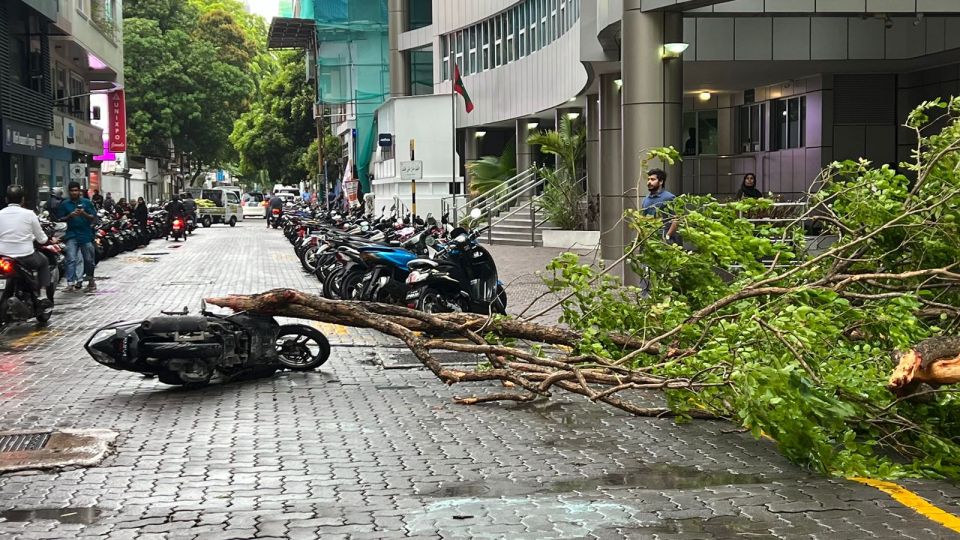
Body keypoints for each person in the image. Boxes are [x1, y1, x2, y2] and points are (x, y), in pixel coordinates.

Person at [0, 185, 53, 309]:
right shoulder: (29, 214)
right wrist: (46, 240)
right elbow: (41, 238)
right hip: (26, 256)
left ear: (6, 199)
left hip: (3, 256)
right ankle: (43, 295)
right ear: (22, 200)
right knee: (44, 261)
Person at [57, 181, 98, 293]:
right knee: (71, 259)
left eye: (76, 190)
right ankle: (70, 283)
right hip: (72, 235)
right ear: (69, 192)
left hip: (85, 235)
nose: (74, 192)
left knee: (89, 259)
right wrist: (70, 215)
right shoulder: (65, 204)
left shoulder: (86, 202)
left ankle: (90, 279)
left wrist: (83, 213)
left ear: (79, 191)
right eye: (72, 190)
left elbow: (93, 217)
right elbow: (60, 219)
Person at [641, 168, 680, 245]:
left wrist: (667, 236)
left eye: (652, 179)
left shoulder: (669, 197)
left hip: (666, 242)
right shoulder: (645, 199)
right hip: (649, 241)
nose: (649, 182)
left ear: (661, 181)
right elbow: (643, 221)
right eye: (648, 179)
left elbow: (677, 219)